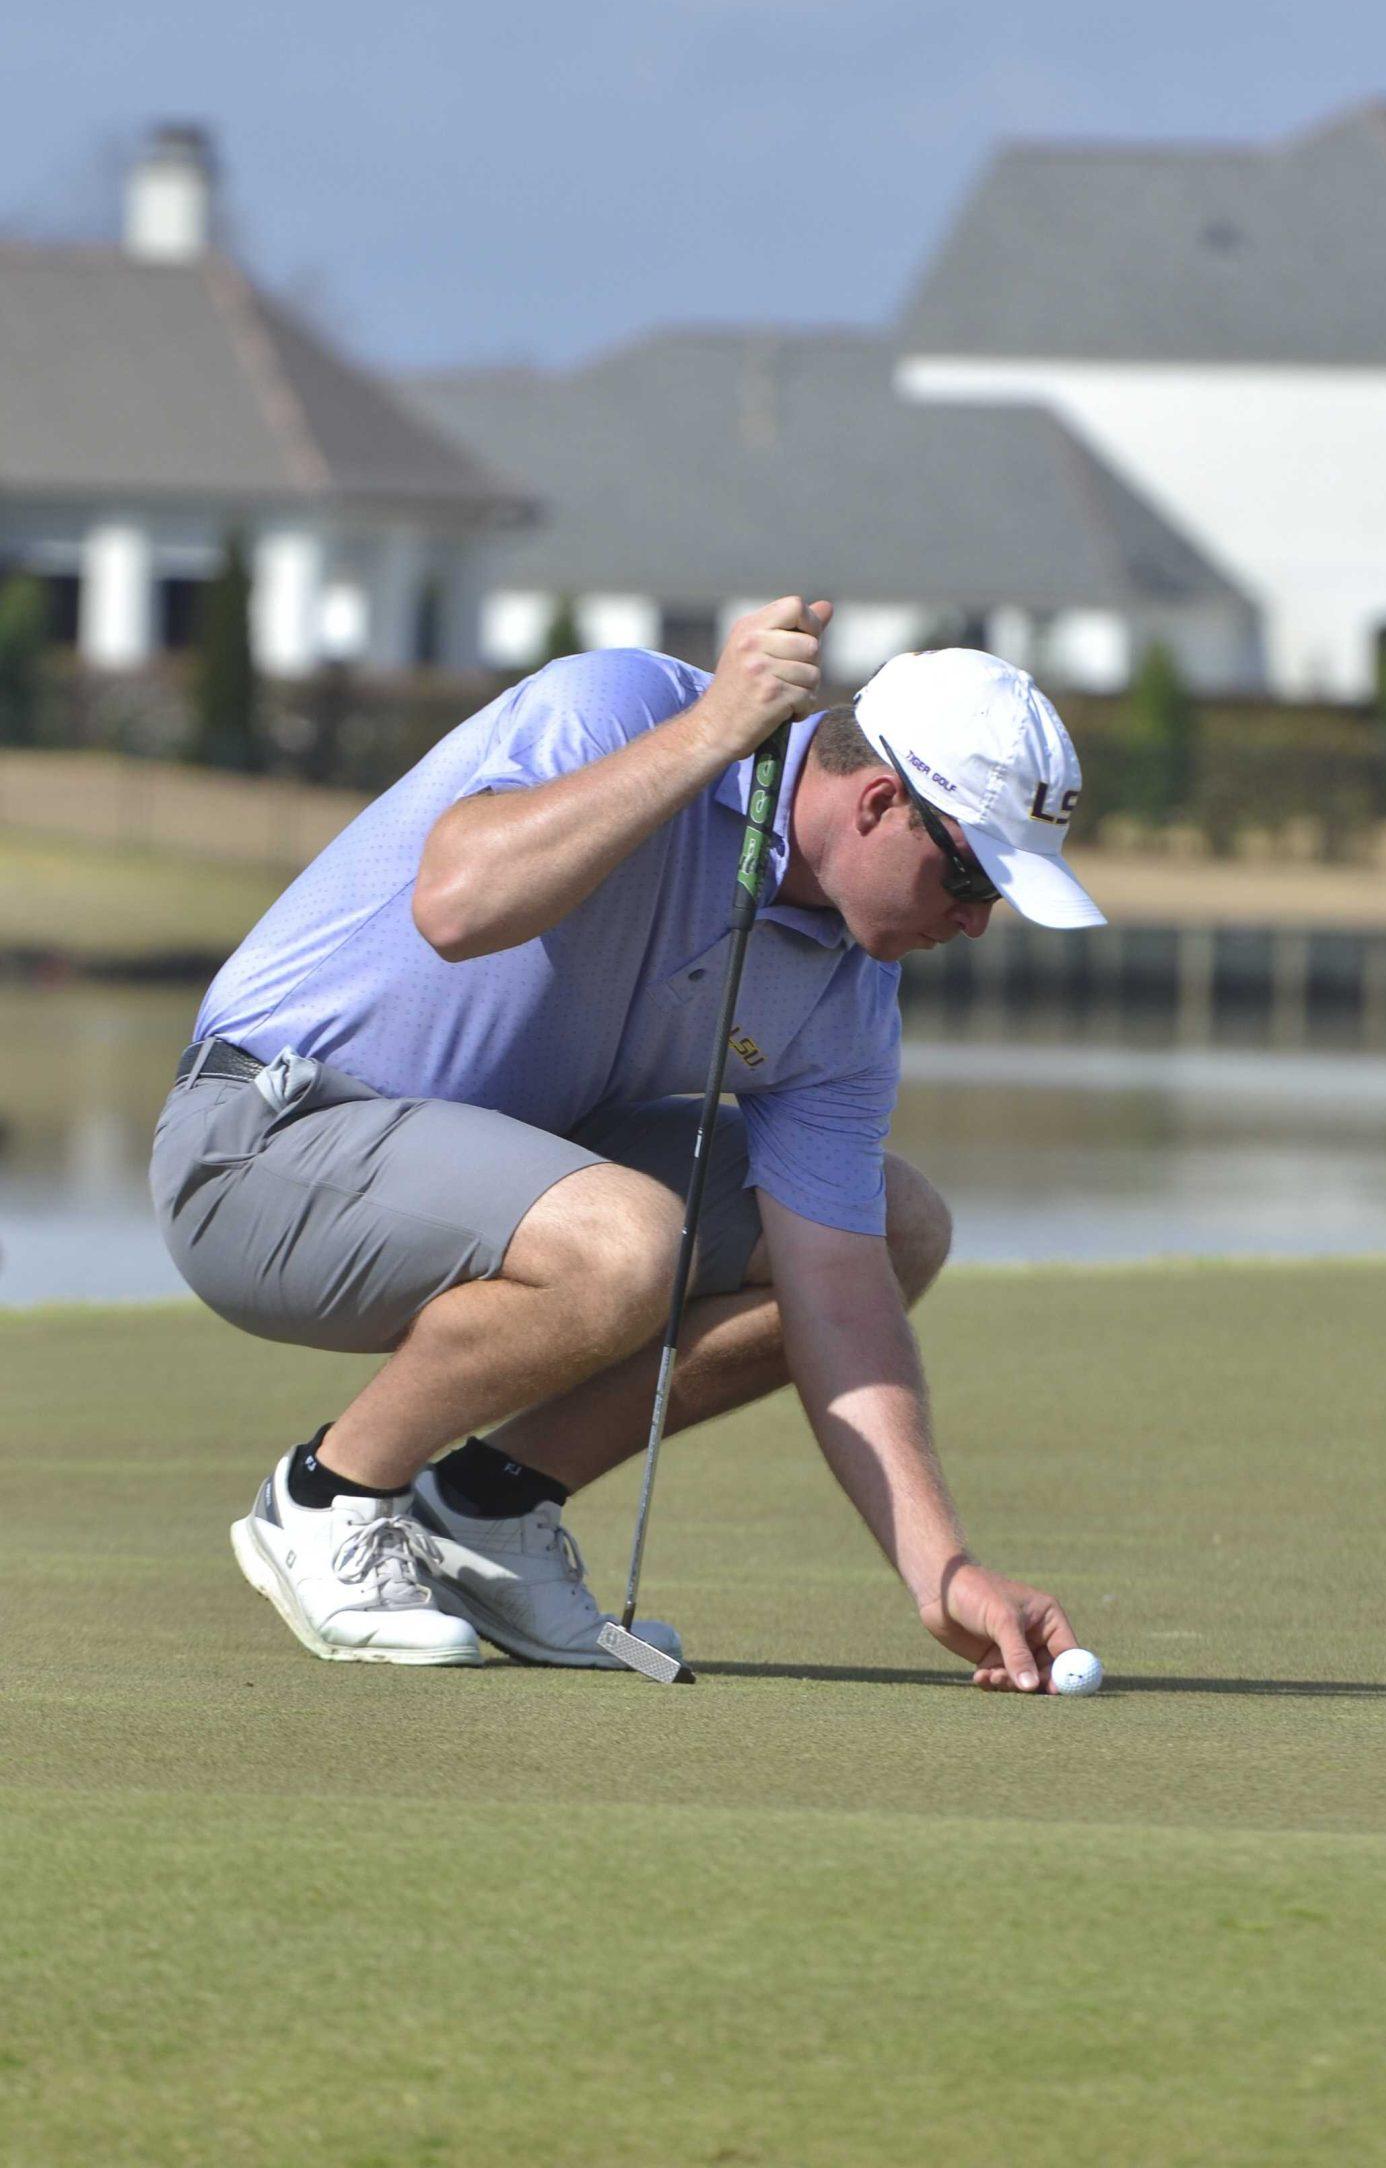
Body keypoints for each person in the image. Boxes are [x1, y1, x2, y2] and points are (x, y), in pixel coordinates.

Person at [151, 597, 1107, 1691]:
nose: (977, 922)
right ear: (881, 802)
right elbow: (457, 905)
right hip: (257, 1146)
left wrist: (941, 1571)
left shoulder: (849, 997)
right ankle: (328, 1495)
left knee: (894, 1228)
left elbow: (836, 1291)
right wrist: (710, 731)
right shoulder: (626, 706)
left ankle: (490, 1509)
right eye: (973, 878)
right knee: (623, 1243)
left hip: (498, 1180)